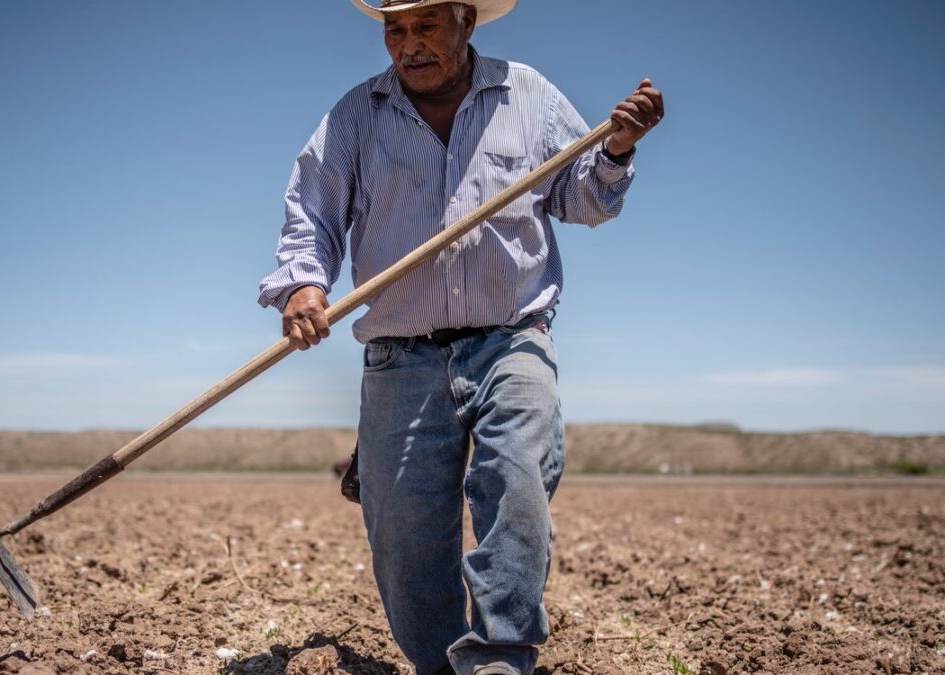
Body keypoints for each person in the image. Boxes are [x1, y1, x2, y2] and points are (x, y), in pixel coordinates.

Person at [258, 2, 664, 673]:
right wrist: (303, 285)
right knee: (403, 533)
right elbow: (310, 214)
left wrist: (616, 149)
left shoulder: (527, 95)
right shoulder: (356, 117)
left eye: (425, 26)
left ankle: (501, 657)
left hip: (511, 336)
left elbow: (582, 198)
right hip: (401, 354)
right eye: (395, 29)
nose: (409, 44)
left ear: (466, 21)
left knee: (516, 476)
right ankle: (441, 665)